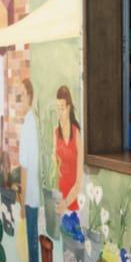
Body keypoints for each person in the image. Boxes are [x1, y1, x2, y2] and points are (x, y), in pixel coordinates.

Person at [18, 78, 42, 262]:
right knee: (34, 240)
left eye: (21, 96)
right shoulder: (34, 121)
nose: (19, 102)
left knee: (32, 241)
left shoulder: (27, 123)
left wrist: (22, 200)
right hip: (37, 193)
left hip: (31, 194)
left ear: (29, 96)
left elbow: (24, 167)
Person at [54, 86, 83, 215]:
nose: (60, 113)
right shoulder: (55, 134)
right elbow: (55, 174)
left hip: (74, 202)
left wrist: (66, 203)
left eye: (62, 108)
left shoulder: (77, 134)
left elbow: (78, 181)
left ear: (69, 108)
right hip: (59, 201)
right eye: (57, 108)